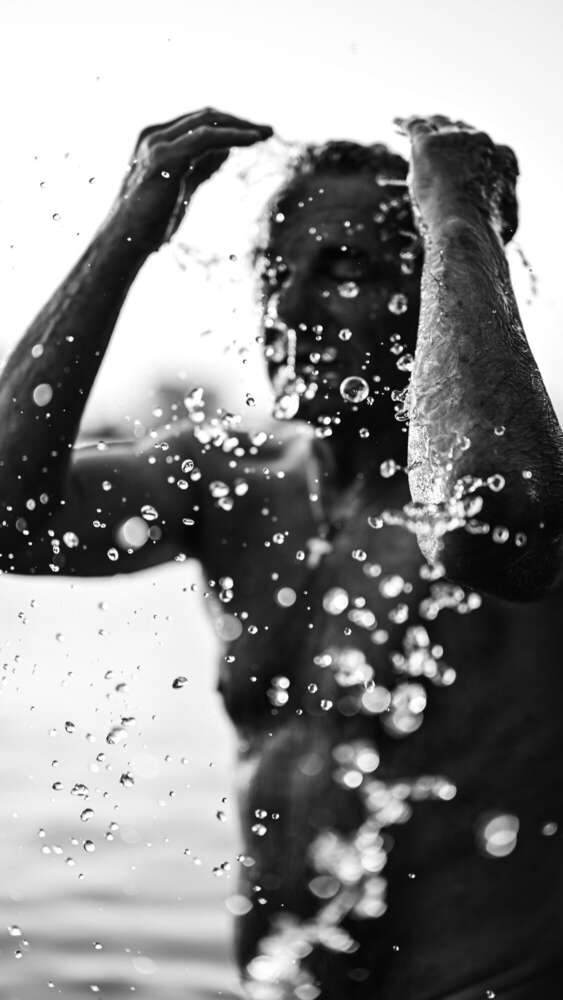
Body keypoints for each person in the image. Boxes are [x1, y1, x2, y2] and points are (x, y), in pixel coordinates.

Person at [1, 108, 562, 1000]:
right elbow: (11, 516)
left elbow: (499, 525)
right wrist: (128, 229)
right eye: (275, 274)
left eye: (344, 270)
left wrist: (459, 217)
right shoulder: (227, 482)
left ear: (434, 297)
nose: (289, 309)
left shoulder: (522, 477)